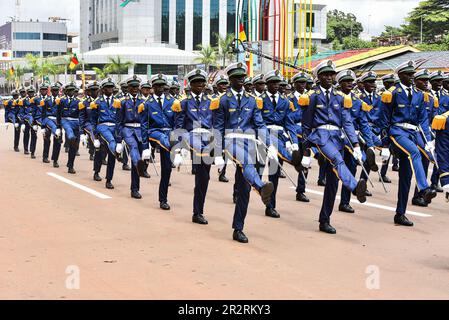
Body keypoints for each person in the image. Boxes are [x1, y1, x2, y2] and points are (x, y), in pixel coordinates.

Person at [301, 60, 368, 234]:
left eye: (331, 74)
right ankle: (354, 187)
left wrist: (355, 144)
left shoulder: (340, 97)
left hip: (338, 138)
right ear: (319, 77)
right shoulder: (313, 96)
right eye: (325, 74)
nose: (329, 77)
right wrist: (306, 149)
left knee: (333, 182)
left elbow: (347, 122)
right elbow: (306, 123)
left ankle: (325, 220)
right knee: (338, 160)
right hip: (321, 137)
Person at [212, 62, 275, 243]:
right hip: (231, 140)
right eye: (237, 77)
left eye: (243, 77)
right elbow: (217, 127)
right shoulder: (222, 100)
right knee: (247, 162)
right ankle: (261, 186)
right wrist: (217, 153)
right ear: (230, 79)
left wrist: (269, 144)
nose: (241, 80)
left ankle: (238, 228)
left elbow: (260, 124)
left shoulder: (252, 100)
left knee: (244, 189)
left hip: (250, 141)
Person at [378, 60, 437, 227]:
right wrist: (384, 145)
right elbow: (383, 118)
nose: (412, 77)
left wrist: (428, 140)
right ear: (400, 75)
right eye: (408, 74)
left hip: (413, 133)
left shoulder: (419, 95)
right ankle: (424, 188)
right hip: (397, 132)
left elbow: (423, 120)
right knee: (414, 153)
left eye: (413, 74)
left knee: (406, 176)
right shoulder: (392, 93)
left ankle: (400, 213)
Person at [173, 69, 216, 225]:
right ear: (190, 85)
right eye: (196, 82)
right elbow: (178, 127)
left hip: (208, 138)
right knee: (201, 176)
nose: (199, 85)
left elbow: (215, 125)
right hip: (191, 136)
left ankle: (198, 211)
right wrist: (178, 149)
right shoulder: (183, 103)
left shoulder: (211, 102)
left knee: (204, 177)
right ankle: (197, 212)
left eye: (202, 82)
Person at [257, 70, 302, 218]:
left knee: (274, 173)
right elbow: (258, 122)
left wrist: (294, 143)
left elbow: (289, 124)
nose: (276, 86)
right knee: (256, 171)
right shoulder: (259, 100)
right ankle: (243, 191)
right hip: (263, 137)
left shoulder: (285, 101)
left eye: (278, 83)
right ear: (267, 84)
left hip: (280, 136)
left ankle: (270, 206)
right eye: (273, 83)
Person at [336, 70, 375, 214]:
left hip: (352, 140)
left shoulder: (358, 102)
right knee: (334, 171)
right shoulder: (334, 98)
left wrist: (370, 145)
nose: (349, 84)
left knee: (352, 167)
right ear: (339, 84)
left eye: (351, 81)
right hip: (334, 138)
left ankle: (345, 201)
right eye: (346, 81)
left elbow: (363, 124)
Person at [139, 73, 180, 210]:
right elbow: (144, 125)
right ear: (152, 87)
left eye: (162, 85)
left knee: (167, 168)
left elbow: (176, 124)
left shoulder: (173, 101)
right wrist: (145, 146)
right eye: (157, 85)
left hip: (168, 132)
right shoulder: (147, 104)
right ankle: (176, 152)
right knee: (164, 140)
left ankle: (163, 198)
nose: (160, 87)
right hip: (154, 132)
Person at [90, 78, 123, 189]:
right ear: (103, 89)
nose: (110, 89)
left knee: (111, 155)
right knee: (102, 150)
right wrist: (94, 137)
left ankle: (109, 179)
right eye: (107, 87)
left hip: (114, 126)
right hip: (102, 126)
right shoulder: (97, 102)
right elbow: (93, 120)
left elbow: (120, 119)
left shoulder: (118, 101)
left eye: (111, 87)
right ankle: (96, 171)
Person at [288, 71, 310, 203]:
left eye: (304, 83)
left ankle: (301, 190)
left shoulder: (309, 97)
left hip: (307, 133)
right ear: (294, 84)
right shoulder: (289, 99)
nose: (303, 85)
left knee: (306, 161)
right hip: (294, 133)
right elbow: (290, 118)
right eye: (300, 83)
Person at [56, 82, 82, 174]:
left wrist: (82, 130)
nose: (71, 92)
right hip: (65, 120)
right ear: (66, 91)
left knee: (74, 146)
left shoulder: (79, 101)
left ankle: (70, 165)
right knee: (70, 134)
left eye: (72, 90)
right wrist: (58, 127)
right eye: (69, 90)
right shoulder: (61, 101)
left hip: (76, 122)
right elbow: (58, 114)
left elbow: (81, 116)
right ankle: (70, 137)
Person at [41, 82, 62, 168]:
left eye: (56, 90)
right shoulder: (46, 100)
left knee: (57, 140)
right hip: (48, 120)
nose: (55, 92)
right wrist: (42, 126)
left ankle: (55, 160)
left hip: (57, 121)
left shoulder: (61, 100)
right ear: (51, 91)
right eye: (53, 90)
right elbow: (43, 113)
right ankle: (45, 156)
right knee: (47, 140)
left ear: (59, 91)